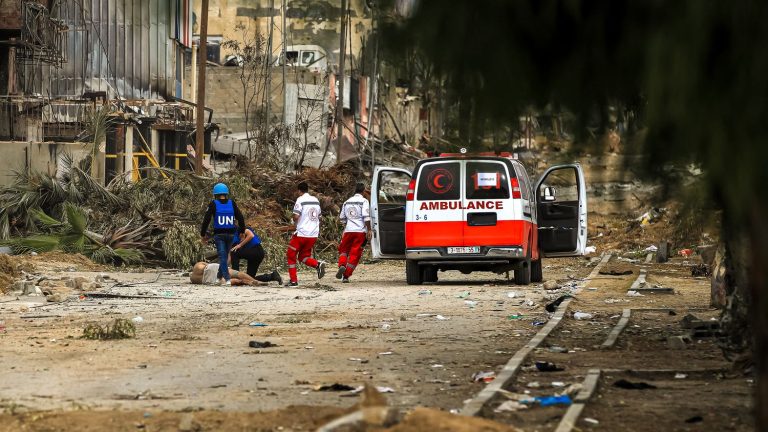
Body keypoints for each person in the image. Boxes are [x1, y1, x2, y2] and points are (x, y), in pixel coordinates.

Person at [200, 183, 245, 286]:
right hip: (231, 235)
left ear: (215, 194)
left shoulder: (213, 204)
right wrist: (242, 231)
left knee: (223, 257)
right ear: (226, 193)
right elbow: (240, 217)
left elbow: (206, 219)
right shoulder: (232, 203)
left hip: (219, 235)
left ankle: (227, 279)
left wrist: (203, 233)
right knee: (224, 256)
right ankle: (218, 278)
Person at [283, 181, 326, 286]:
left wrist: (294, 221)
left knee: (290, 254)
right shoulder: (315, 200)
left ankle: (293, 281)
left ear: (299, 191)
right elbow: (320, 218)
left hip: (302, 234)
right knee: (303, 256)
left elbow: (296, 216)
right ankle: (317, 264)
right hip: (313, 235)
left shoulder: (300, 200)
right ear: (308, 189)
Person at [336, 182, 372, 283]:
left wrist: (348, 224)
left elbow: (342, 218)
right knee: (355, 254)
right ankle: (346, 276)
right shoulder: (364, 201)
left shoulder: (347, 202)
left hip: (348, 231)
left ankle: (342, 265)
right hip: (360, 232)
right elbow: (366, 217)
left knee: (344, 250)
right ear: (363, 191)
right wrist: (369, 229)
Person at [189, 262, 265, 286]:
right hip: (209, 268)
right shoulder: (197, 265)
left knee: (232, 281)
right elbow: (208, 264)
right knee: (236, 273)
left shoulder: (193, 279)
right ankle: (255, 280)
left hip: (207, 280)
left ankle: (247, 282)